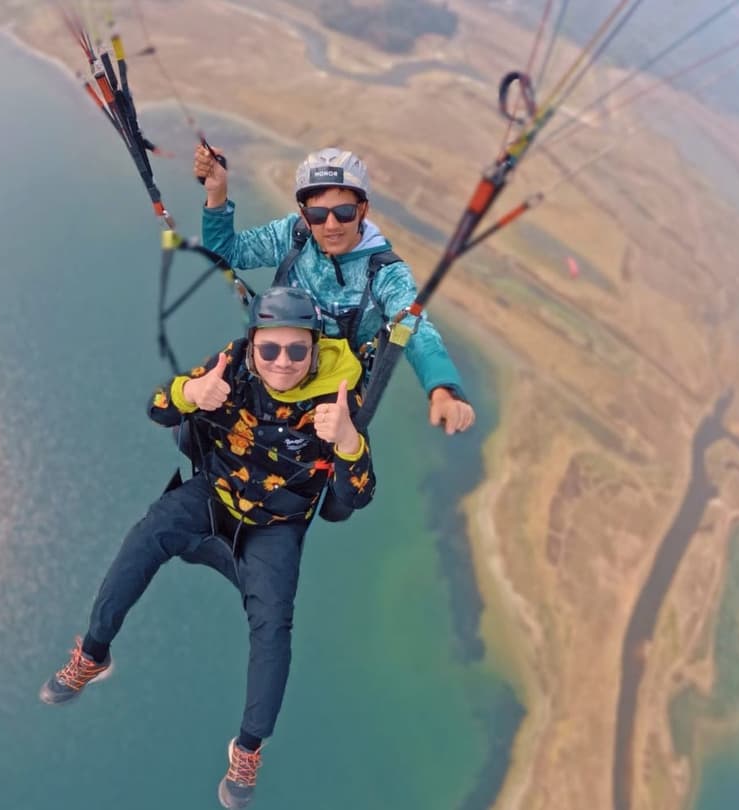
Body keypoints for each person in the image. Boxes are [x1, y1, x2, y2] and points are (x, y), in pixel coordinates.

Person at [39, 287, 376, 809]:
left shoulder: (339, 397)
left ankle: (249, 747)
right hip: (214, 492)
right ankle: (93, 654)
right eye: (270, 349)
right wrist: (190, 393)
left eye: (296, 350)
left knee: (273, 623)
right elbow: (158, 408)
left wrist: (349, 439)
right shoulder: (232, 365)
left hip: (275, 521)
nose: (282, 362)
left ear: (314, 351)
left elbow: (357, 495)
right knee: (146, 536)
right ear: (253, 344)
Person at [194, 144, 476, 435]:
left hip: (333, 394)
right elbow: (225, 253)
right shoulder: (294, 236)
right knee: (198, 417)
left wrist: (443, 388)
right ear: (304, 215)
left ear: (363, 210)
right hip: (278, 364)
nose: (331, 225)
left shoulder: (385, 273)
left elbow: (415, 328)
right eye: (318, 214)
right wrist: (217, 194)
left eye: (344, 212)